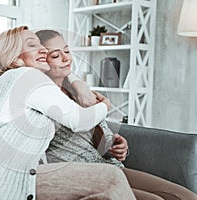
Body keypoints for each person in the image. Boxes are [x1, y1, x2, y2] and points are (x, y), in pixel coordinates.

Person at [0, 26, 136, 200]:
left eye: (41, 45)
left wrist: (75, 81)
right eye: (32, 45)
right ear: (14, 56)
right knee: (111, 178)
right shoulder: (27, 77)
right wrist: (105, 105)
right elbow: (78, 120)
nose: (43, 51)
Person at [35, 29, 197, 200]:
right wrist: (103, 105)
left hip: (110, 166)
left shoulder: (80, 91)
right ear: (41, 60)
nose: (66, 58)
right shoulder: (42, 98)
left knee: (185, 196)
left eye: (67, 51)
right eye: (55, 55)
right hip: (83, 176)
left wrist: (116, 146)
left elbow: (99, 134)